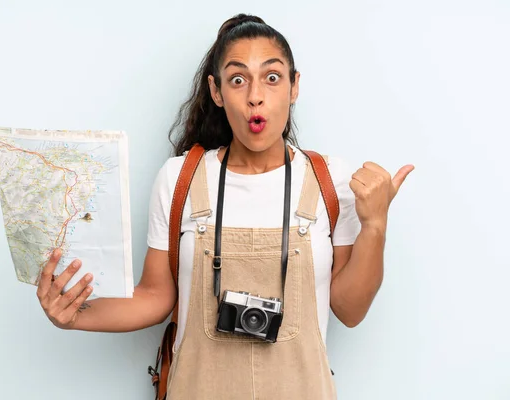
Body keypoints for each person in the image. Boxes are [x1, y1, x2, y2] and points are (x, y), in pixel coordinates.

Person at [35, 13, 413, 399]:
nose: (255, 96)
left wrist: (375, 226)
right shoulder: (180, 177)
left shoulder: (329, 180)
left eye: (272, 77)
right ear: (217, 92)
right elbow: (155, 296)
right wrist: (75, 316)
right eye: (237, 79)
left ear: (294, 86)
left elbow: (350, 310)